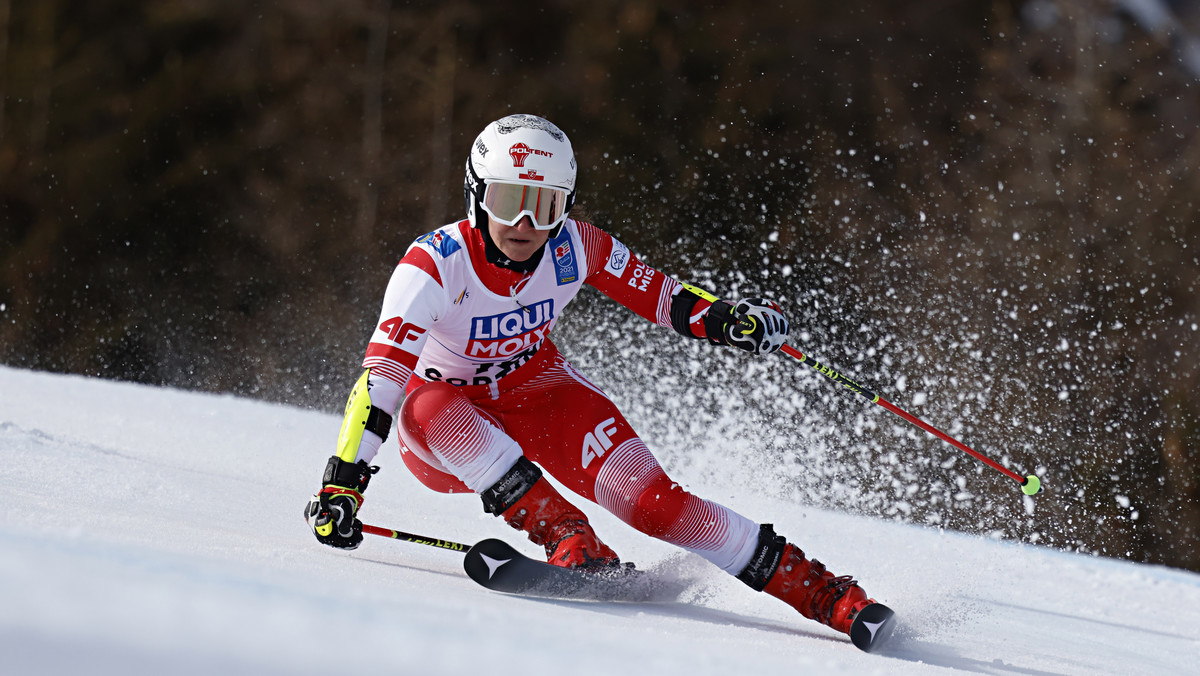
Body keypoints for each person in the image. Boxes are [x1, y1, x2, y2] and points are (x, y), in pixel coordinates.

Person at [305, 114, 887, 645]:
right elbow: (380, 380)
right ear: (477, 195)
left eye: (546, 205)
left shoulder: (577, 247)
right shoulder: (434, 266)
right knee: (426, 402)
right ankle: (567, 536)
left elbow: (664, 298)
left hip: (541, 392)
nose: (527, 224)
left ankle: (826, 595)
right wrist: (344, 481)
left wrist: (731, 320)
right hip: (444, 435)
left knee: (657, 503)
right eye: (510, 201)